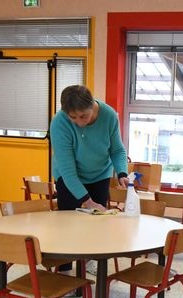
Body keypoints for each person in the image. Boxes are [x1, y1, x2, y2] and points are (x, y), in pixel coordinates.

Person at [50, 85, 129, 273]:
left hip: (99, 174)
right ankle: (64, 270)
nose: (79, 122)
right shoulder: (59, 122)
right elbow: (68, 170)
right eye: (73, 117)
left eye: (83, 116)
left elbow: (117, 150)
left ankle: (90, 261)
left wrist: (122, 173)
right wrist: (87, 201)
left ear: (92, 106)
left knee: (96, 225)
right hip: (69, 177)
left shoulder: (109, 116)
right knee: (67, 225)